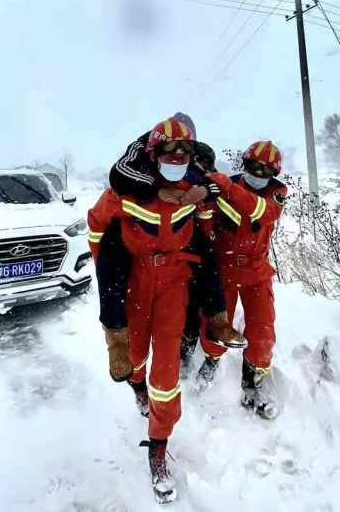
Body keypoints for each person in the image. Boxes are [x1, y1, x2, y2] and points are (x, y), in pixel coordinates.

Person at [87, 116, 215, 503]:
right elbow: (96, 230)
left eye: (184, 153)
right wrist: (112, 277)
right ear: (153, 153)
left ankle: (159, 445)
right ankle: (136, 387)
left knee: (167, 371)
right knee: (136, 357)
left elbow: (205, 220)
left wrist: (198, 268)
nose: (177, 160)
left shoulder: (192, 184)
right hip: (134, 285)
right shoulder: (125, 189)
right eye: (169, 153)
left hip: (173, 284)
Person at [100, 113, 246, 384]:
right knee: (113, 272)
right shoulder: (141, 149)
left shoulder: (200, 153)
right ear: (157, 148)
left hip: (182, 229)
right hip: (142, 235)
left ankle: (191, 350)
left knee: (199, 277)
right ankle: (119, 343)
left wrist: (203, 192)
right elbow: (118, 175)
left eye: (186, 145)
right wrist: (157, 190)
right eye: (172, 147)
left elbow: (211, 179)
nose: (180, 153)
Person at [195, 140, 288, 420]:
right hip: (223, 269)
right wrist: (205, 208)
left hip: (257, 272)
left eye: (265, 170)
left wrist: (227, 188)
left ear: (274, 173)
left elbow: (263, 212)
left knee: (262, 332)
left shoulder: (276, 194)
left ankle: (251, 386)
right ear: (243, 165)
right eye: (253, 167)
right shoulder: (225, 186)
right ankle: (210, 361)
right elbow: (205, 223)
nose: (258, 174)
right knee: (215, 324)